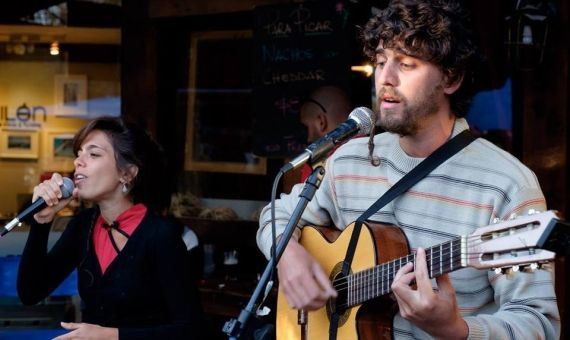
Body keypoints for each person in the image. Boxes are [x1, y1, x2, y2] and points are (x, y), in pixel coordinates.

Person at [257, 0, 560, 339]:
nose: (385, 79)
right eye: (381, 61)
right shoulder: (348, 160)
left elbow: (540, 327)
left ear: (452, 78)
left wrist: (455, 329)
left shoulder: (508, 184)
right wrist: (287, 256)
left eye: (407, 64)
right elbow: (277, 215)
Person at [17, 117, 204, 339]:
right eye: (79, 153)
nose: (79, 162)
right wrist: (41, 222)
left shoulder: (160, 235)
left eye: (93, 154)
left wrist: (111, 336)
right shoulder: (83, 225)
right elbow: (30, 292)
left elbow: (191, 329)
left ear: (127, 174)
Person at [298, 85, 351, 182]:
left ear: (321, 122)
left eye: (307, 127)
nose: (308, 139)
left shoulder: (317, 166)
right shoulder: (375, 151)